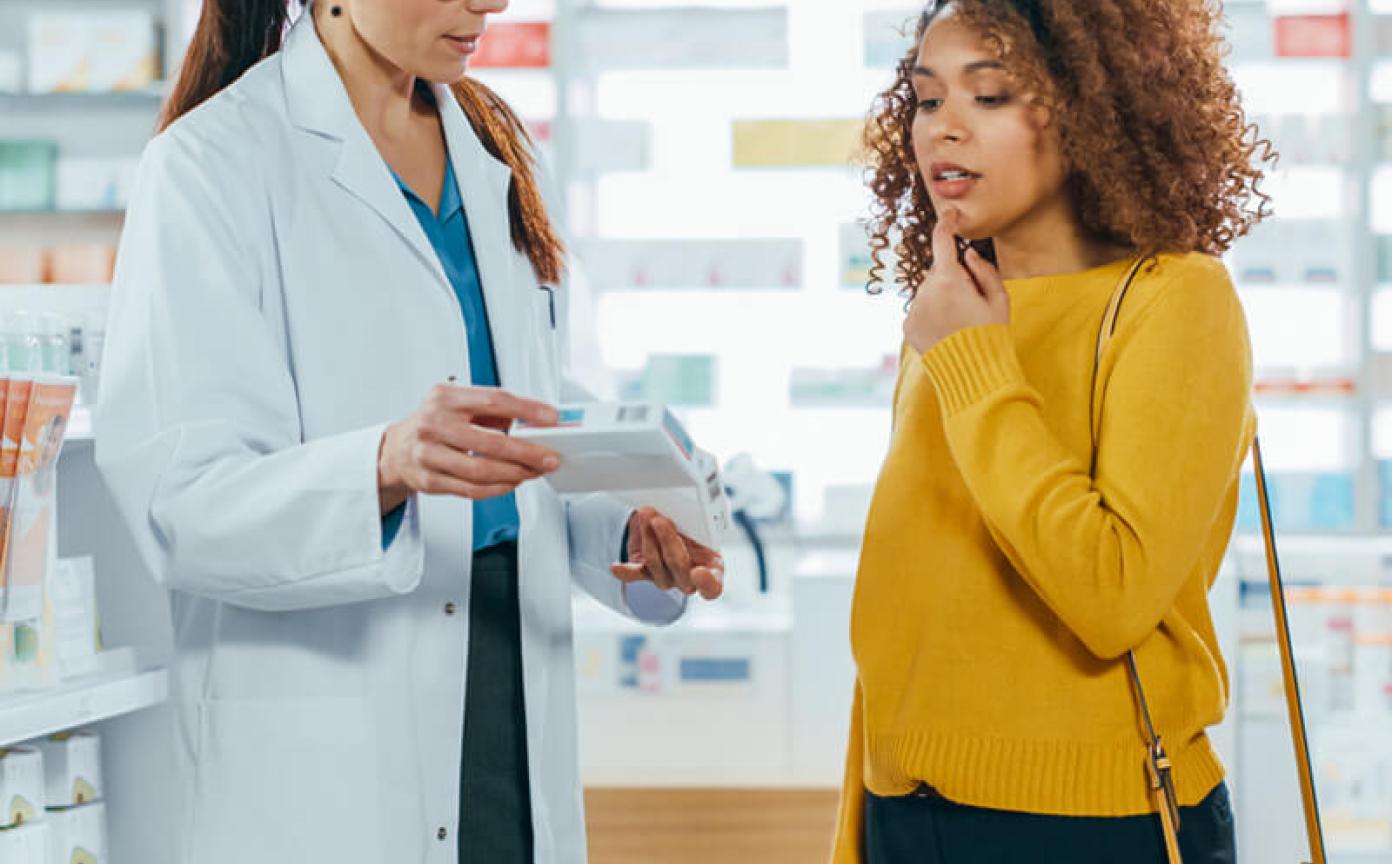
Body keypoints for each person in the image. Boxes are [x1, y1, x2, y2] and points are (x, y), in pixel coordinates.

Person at [95, 1, 724, 861]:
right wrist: (382, 467)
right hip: (335, 733)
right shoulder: (211, 164)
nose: (493, 3)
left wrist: (629, 528)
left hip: (503, 686)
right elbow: (181, 501)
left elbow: (522, 406)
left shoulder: (494, 146)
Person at [835, 1, 1275, 861]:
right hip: (906, 812)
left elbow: (1111, 593)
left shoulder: (1174, 300)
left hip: (1092, 824)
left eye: (991, 96)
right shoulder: (951, 309)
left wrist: (974, 363)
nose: (943, 131)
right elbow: (920, 604)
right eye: (927, 100)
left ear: (1092, 109)